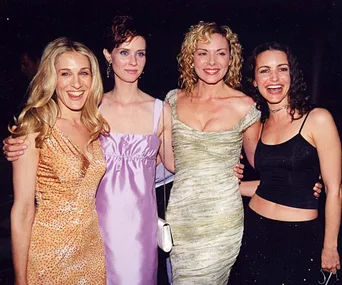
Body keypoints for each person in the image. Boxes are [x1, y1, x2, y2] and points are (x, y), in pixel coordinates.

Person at [228, 42, 341, 285]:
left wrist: (330, 246)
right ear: (255, 81)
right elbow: (270, 183)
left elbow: (335, 191)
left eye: (282, 69)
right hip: (254, 230)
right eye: (264, 70)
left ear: (292, 75)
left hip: (298, 237)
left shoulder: (317, 119)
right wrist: (229, 184)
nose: (274, 78)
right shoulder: (258, 125)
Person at [164, 21, 261, 284]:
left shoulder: (245, 107)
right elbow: (170, 163)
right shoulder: (172, 101)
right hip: (182, 219)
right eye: (203, 52)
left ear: (231, 59)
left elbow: (267, 165)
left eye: (221, 53)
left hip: (222, 220)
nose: (212, 61)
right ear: (190, 57)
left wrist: (302, 183)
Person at [10, 37, 108, 284]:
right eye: (65, 73)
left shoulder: (95, 125)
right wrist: (20, 280)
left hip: (92, 253)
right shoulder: (35, 129)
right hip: (50, 256)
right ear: (51, 79)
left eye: (83, 73)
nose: (76, 83)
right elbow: (22, 210)